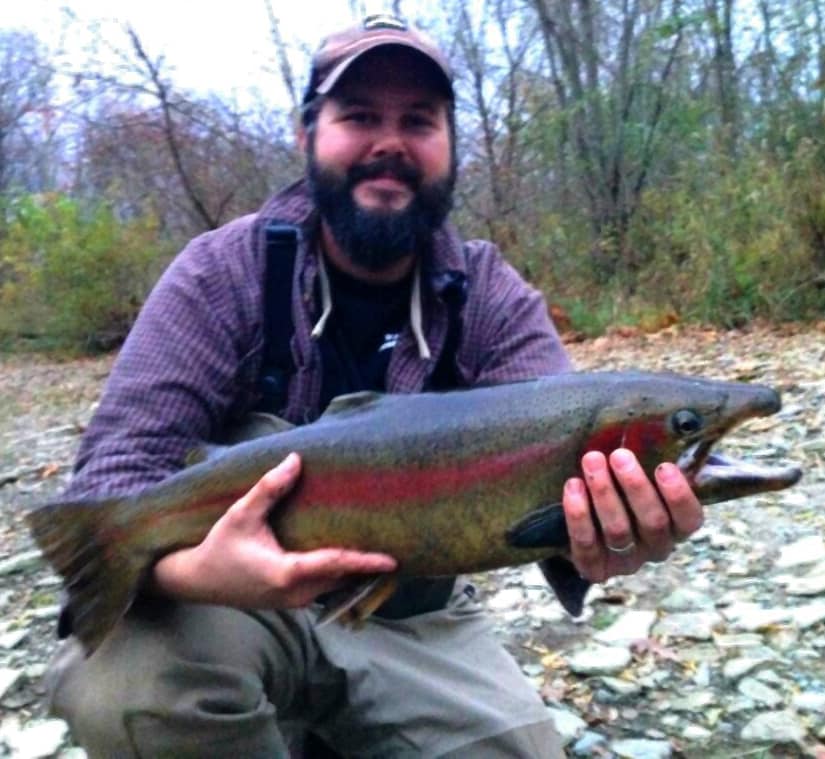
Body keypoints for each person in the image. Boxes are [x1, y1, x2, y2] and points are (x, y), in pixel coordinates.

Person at [46, 14, 704, 758]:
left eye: (418, 120)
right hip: (222, 609)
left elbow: (560, 480)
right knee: (125, 694)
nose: (389, 141)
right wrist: (200, 571)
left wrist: (602, 540)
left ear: (451, 146)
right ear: (306, 137)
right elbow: (107, 484)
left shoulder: (490, 294)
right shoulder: (218, 273)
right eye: (358, 116)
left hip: (410, 618)